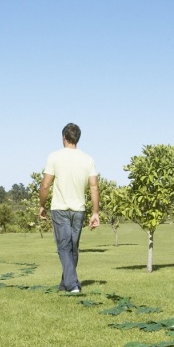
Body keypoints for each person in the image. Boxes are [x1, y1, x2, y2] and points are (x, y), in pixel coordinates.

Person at [39, 123, 100, 293]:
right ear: (77, 138)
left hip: (60, 209)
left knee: (64, 247)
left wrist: (41, 205)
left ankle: (72, 285)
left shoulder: (54, 157)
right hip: (79, 210)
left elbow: (45, 185)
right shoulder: (88, 159)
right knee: (72, 247)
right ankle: (65, 283)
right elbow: (94, 186)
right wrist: (95, 212)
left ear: (63, 137)